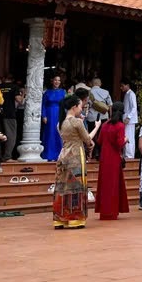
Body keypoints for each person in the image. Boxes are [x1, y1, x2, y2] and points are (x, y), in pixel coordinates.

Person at [53, 94, 97, 229]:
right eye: (80, 106)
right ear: (74, 107)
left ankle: (60, 218)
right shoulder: (77, 122)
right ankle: (74, 218)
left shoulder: (60, 123)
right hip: (76, 156)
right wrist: (97, 127)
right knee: (76, 186)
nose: (81, 109)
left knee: (62, 186)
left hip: (63, 155)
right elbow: (87, 140)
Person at [95, 101, 129, 221]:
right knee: (114, 184)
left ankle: (104, 211)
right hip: (114, 158)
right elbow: (119, 143)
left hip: (105, 157)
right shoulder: (120, 126)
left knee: (105, 184)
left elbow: (99, 141)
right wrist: (125, 139)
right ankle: (112, 211)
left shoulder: (105, 125)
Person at [41, 74, 66, 161]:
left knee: (58, 133)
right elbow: (43, 105)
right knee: (49, 133)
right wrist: (43, 115)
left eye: (59, 80)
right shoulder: (47, 92)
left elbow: (65, 105)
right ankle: (48, 155)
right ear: (52, 81)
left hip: (59, 113)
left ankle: (59, 155)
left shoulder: (63, 92)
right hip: (49, 114)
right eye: (55, 80)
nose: (57, 82)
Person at [121, 79, 137, 159]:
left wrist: (128, 117)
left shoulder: (131, 94)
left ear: (127, 85)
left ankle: (129, 155)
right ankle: (126, 154)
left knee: (129, 137)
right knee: (126, 136)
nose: (121, 88)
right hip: (126, 120)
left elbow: (134, 107)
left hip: (129, 120)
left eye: (122, 86)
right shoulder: (127, 94)